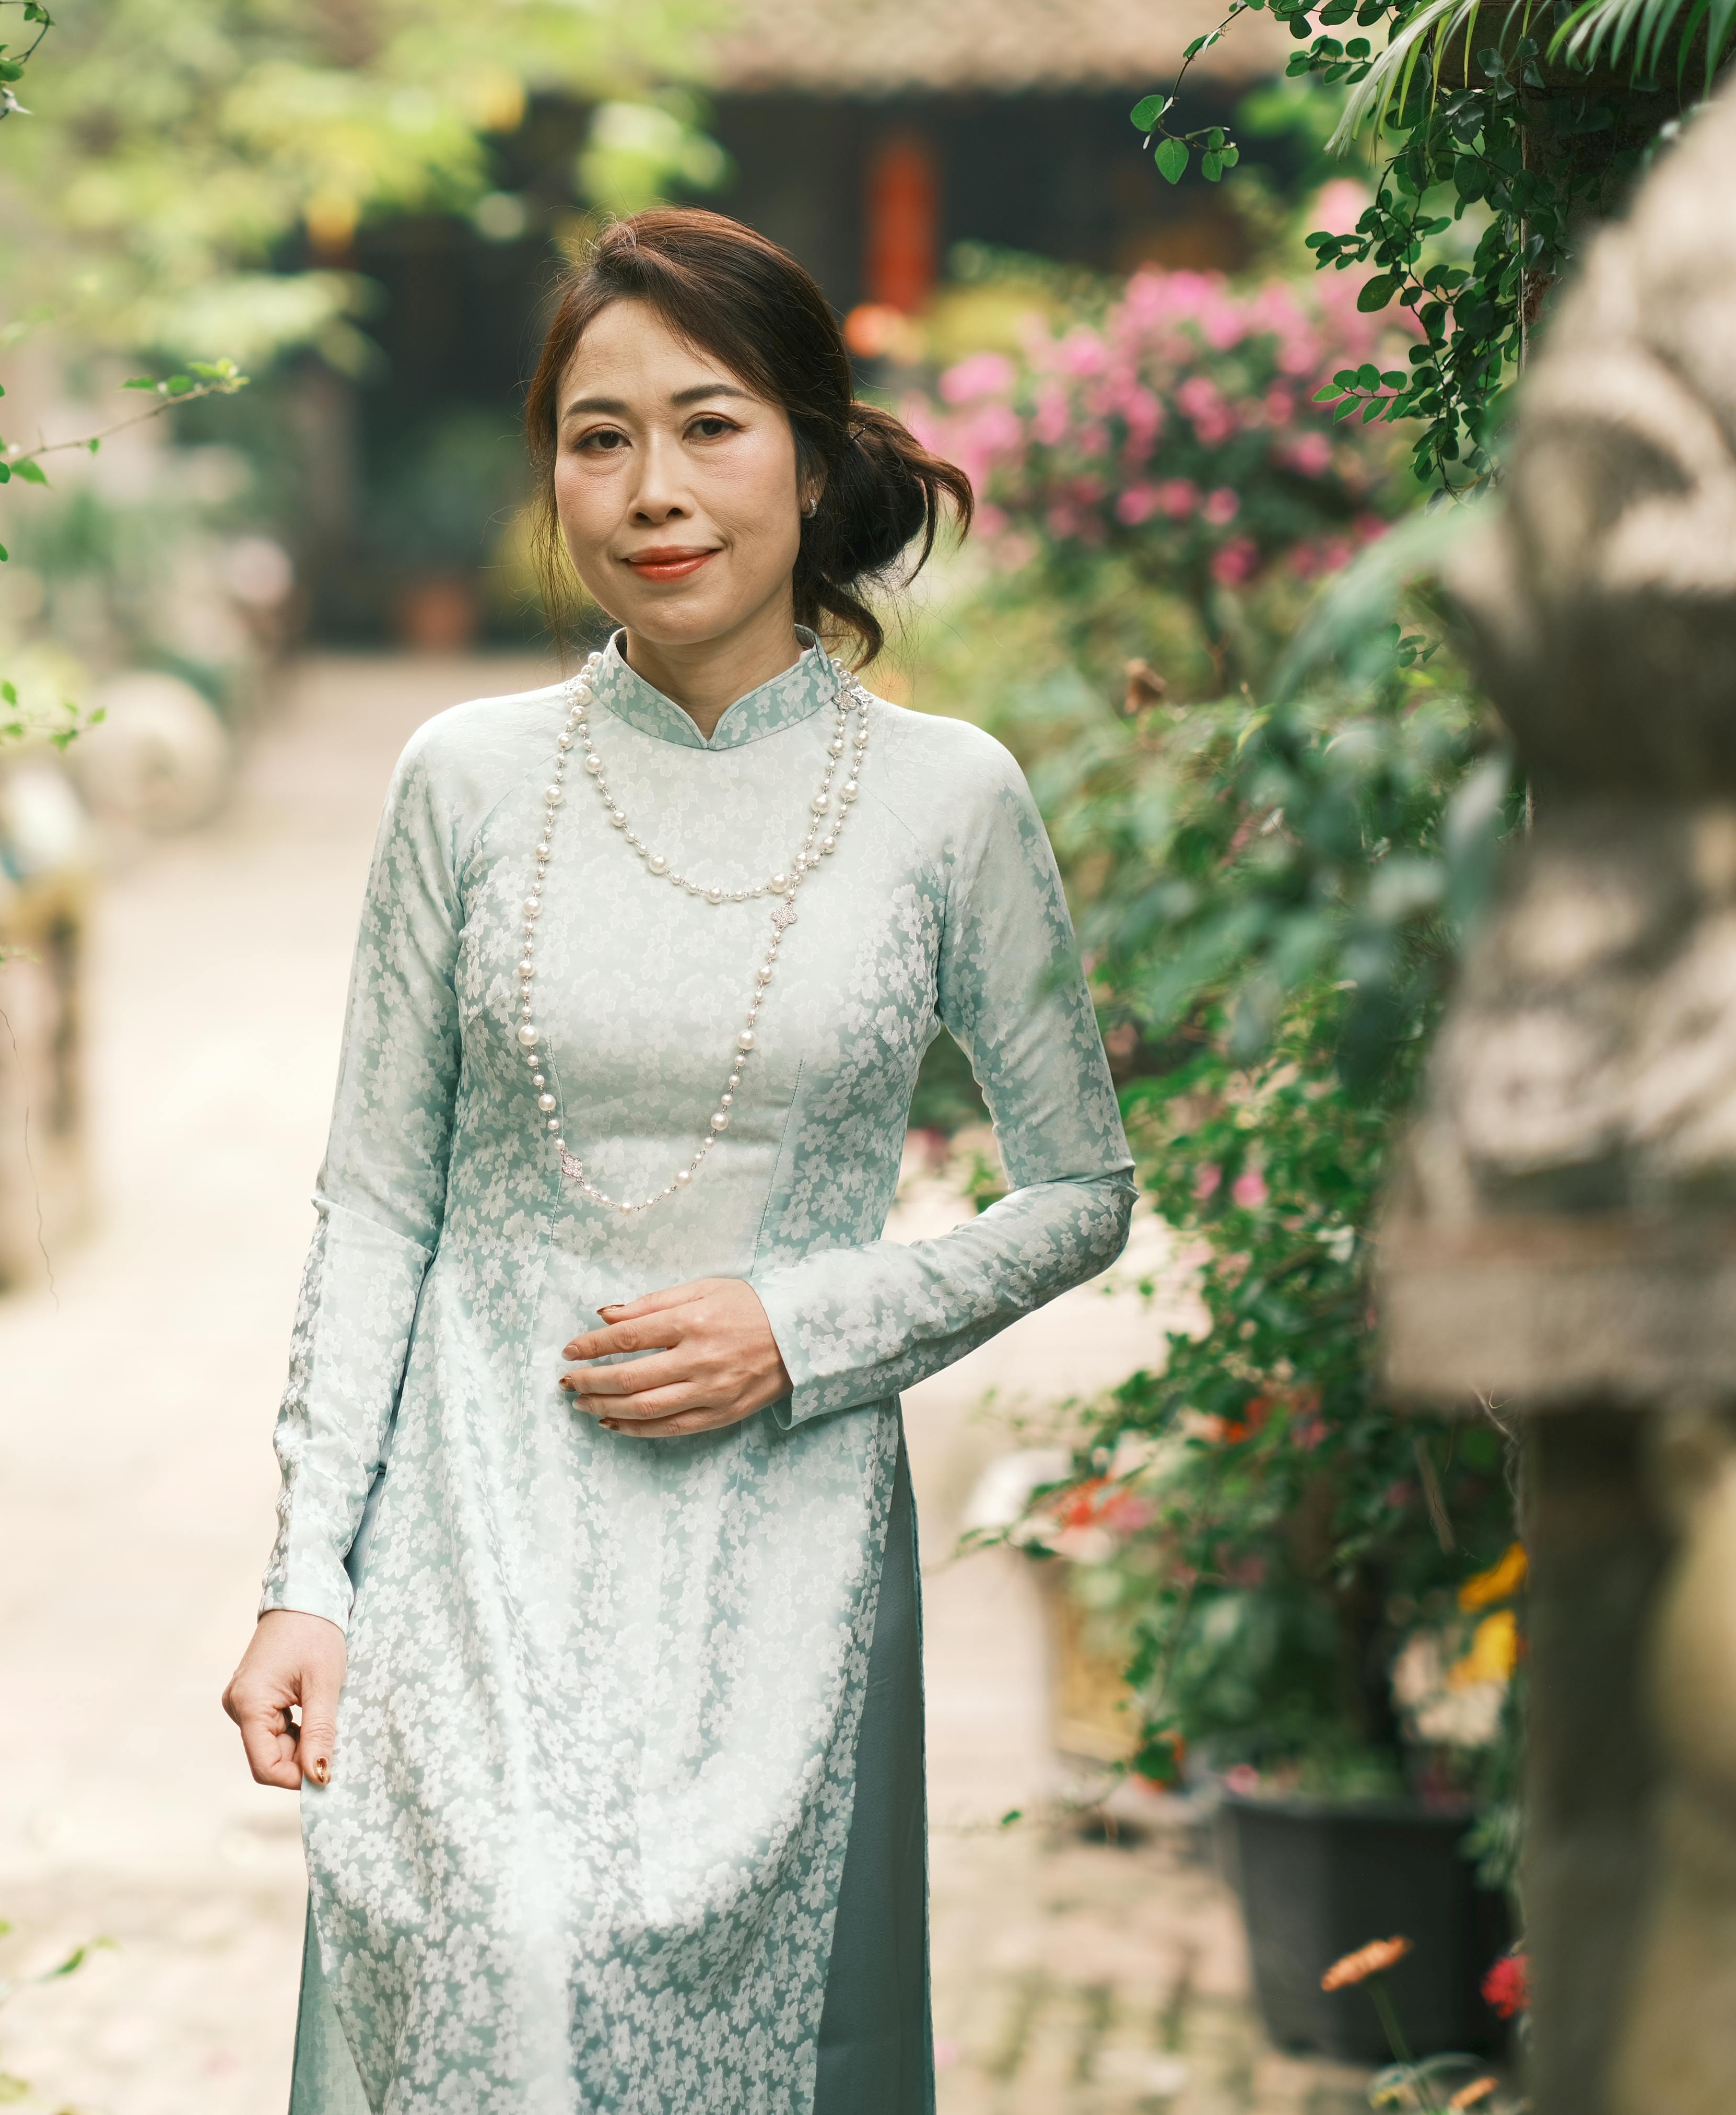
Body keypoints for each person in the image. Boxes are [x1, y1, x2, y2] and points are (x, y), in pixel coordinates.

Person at [220, 207, 1137, 2115]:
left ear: (812, 451)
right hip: (475, 1516)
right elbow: (380, 1200)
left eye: (710, 427)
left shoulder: (944, 799)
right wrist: (309, 1575)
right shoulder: (460, 782)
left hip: (775, 1539)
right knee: (497, 1978)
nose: (654, 492)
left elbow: (1079, 1188)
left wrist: (803, 1327)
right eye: (599, 434)